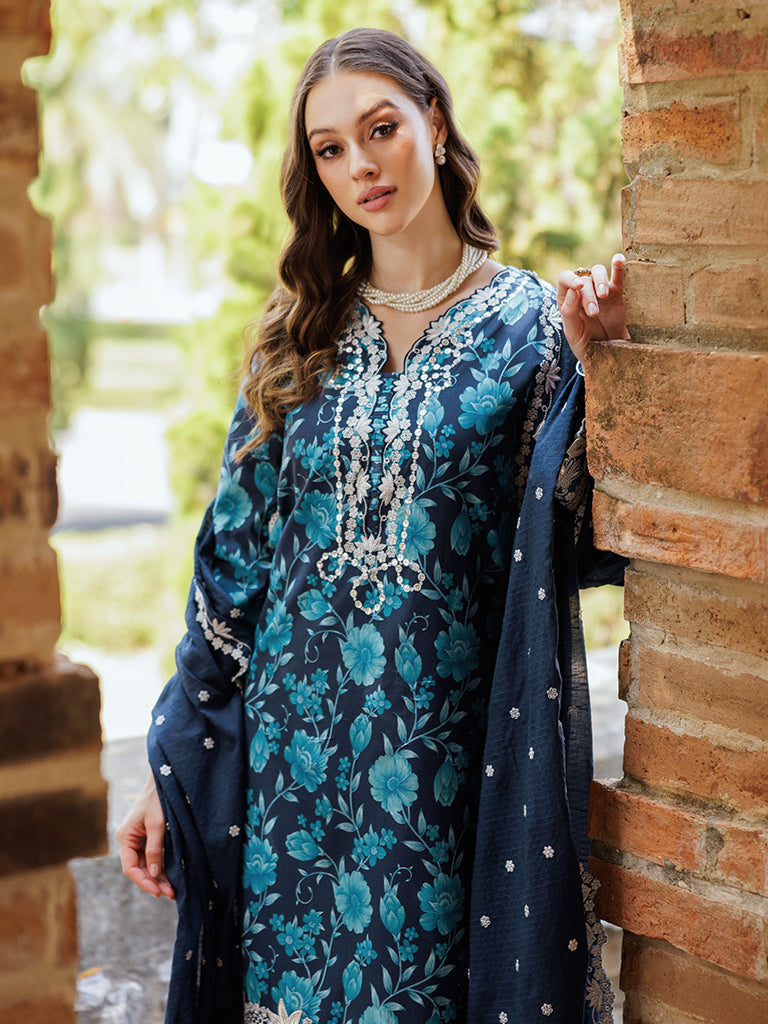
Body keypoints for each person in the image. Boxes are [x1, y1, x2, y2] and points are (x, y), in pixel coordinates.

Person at [116, 26, 627, 1024]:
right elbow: (230, 578)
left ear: (433, 120)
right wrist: (169, 778)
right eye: (330, 148)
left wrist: (603, 375)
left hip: (439, 778)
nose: (360, 164)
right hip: (290, 777)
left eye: (380, 128)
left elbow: (582, 542)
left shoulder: (533, 330)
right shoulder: (296, 334)